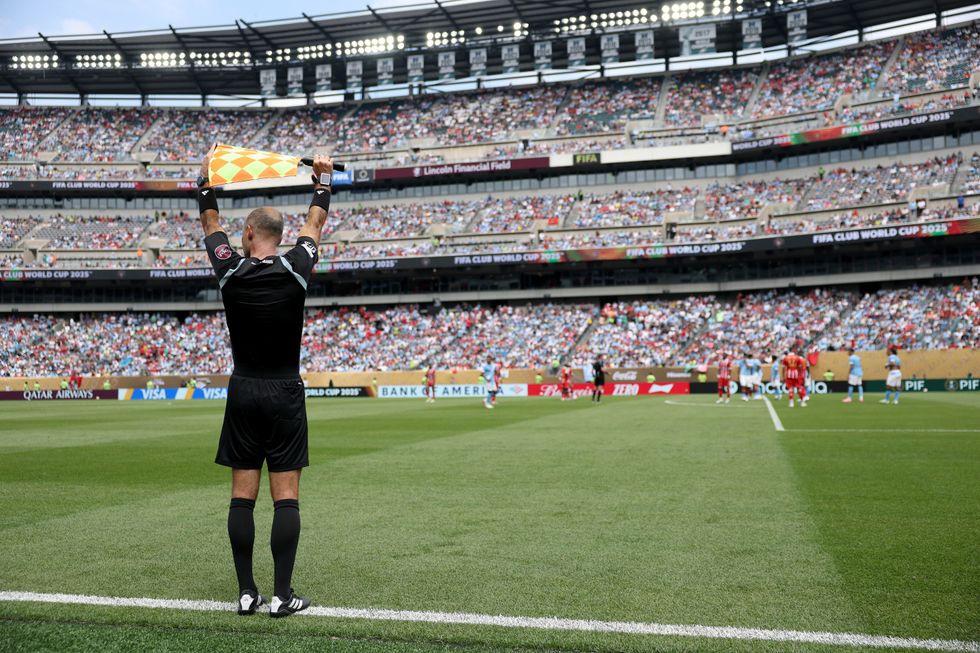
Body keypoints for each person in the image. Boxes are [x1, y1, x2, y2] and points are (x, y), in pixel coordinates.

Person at [199, 145, 335, 618]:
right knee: (287, 497)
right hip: (284, 391)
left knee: (242, 495)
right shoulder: (297, 266)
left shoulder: (229, 270)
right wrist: (322, 182)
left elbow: (210, 226)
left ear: (250, 232)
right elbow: (314, 226)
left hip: (243, 389)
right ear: (279, 235)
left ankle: (244, 592)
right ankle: (282, 595)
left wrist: (206, 183)